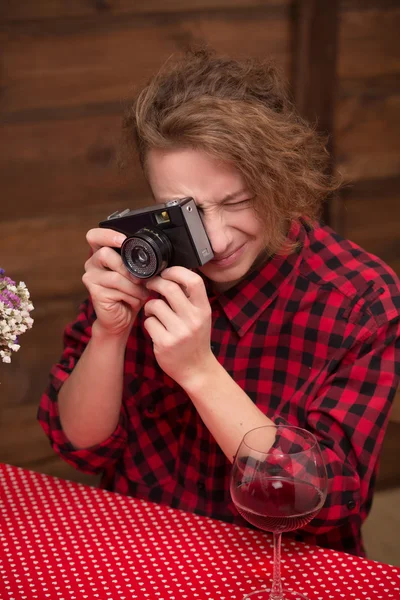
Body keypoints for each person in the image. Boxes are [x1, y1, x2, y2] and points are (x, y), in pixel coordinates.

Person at [38, 49, 400, 557]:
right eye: (181, 211)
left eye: (236, 201)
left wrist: (199, 371)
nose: (215, 237)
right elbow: (80, 443)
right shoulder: (145, 257)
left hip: (279, 565)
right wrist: (110, 333)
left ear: (283, 177)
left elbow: (327, 503)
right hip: (143, 546)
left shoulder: (358, 297)